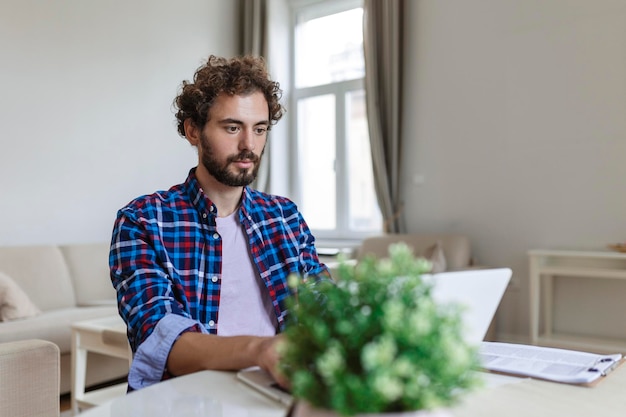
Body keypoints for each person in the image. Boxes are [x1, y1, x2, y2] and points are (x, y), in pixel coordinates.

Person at [109, 55, 331, 392]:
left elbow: (325, 307)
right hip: (191, 401)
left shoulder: (285, 217)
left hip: (279, 393)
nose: (249, 145)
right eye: (232, 127)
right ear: (193, 130)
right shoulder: (142, 221)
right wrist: (260, 350)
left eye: (259, 129)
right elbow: (161, 339)